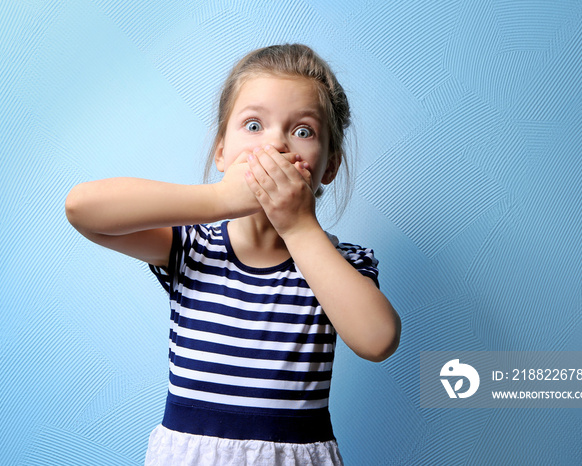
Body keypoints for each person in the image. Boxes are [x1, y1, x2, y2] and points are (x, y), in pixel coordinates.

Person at [65, 43, 401, 466]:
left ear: (329, 167)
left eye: (303, 131)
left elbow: (378, 340)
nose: (276, 144)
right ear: (221, 150)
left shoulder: (340, 262)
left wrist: (297, 225)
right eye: (254, 125)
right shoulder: (192, 246)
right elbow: (82, 209)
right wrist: (221, 199)